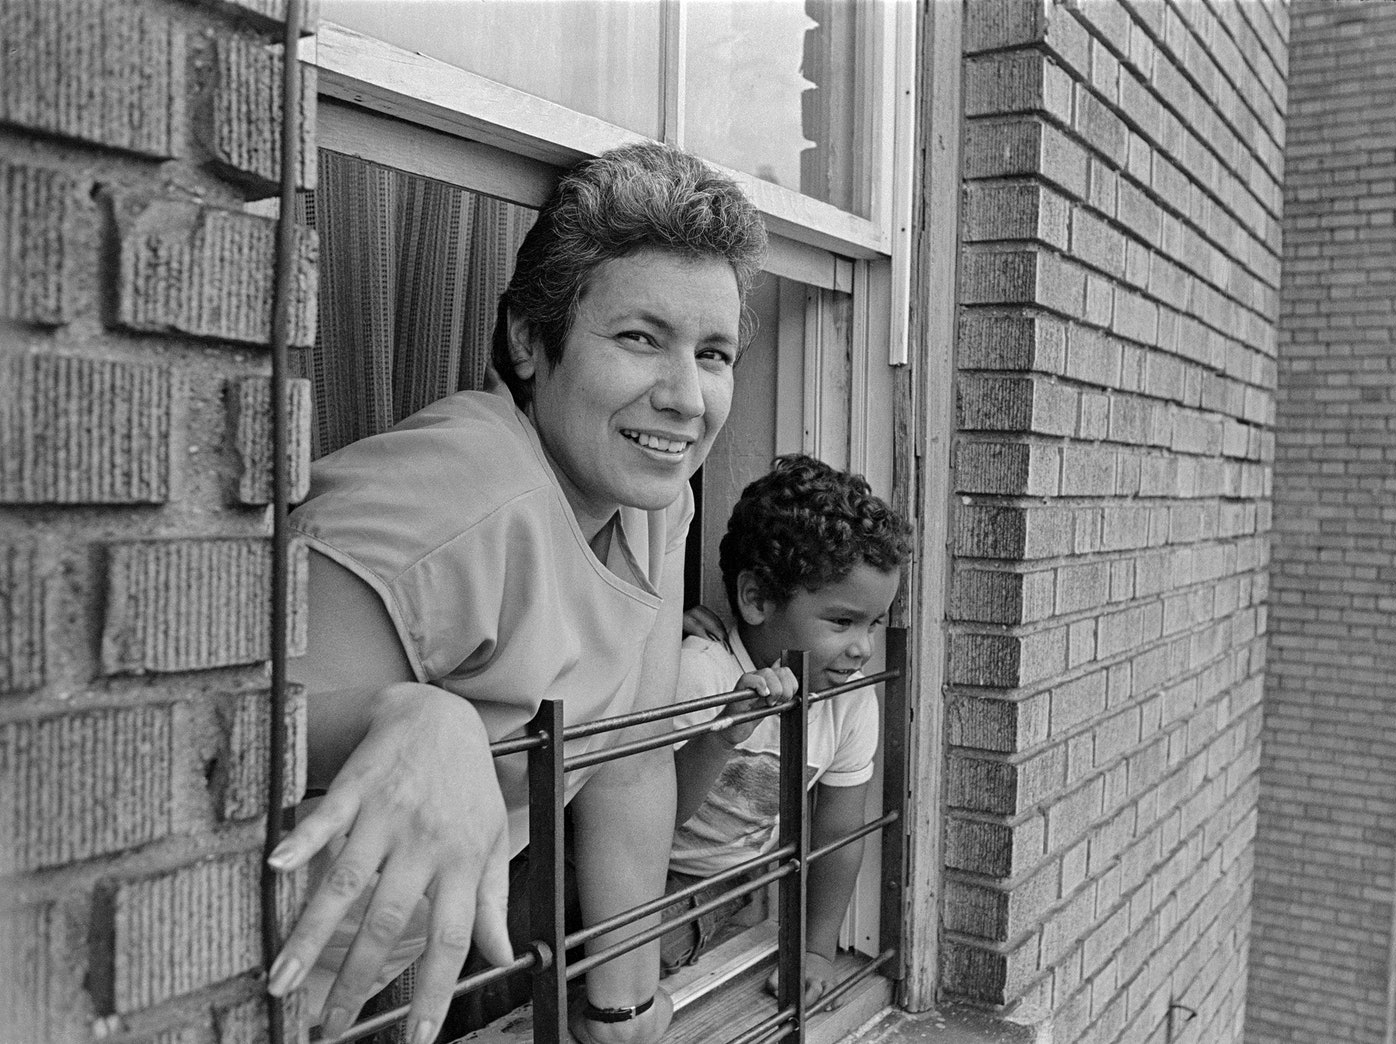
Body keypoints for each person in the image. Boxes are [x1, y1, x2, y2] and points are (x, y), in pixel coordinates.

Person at [265, 141, 775, 1044]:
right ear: (529, 341)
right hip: (246, 973)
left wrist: (623, 1005)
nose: (687, 397)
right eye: (639, 338)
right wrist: (415, 715)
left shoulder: (657, 500)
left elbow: (630, 760)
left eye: (714, 352)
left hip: (405, 971)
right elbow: (209, 730)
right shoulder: (456, 488)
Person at [660, 455, 912, 1008]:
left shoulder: (849, 702)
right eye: (842, 622)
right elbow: (654, 815)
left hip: (713, 887)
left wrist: (818, 949)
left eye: (873, 624)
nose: (863, 648)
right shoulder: (700, 671)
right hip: (638, 861)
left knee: (647, 947)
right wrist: (723, 734)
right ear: (757, 599)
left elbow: (839, 834)